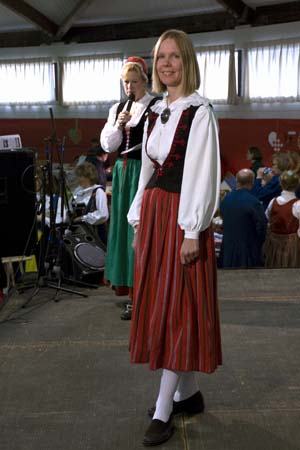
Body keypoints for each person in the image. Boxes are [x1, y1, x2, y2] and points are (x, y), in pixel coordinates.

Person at [127, 29, 222, 446]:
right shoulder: (155, 111)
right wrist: (136, 219)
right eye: (161, 57)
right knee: (167, 303)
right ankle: (189, 394)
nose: (166, 64)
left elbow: (203, 174)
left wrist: (190, 230)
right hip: (155, 216)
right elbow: (148, 171)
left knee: (176, 307)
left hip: (181, 219)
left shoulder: (199, 111)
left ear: (187, 61)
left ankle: (165, 408)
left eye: (174, 57)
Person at [100, 56, 160, 320]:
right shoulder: (118, 108)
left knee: (140, 230)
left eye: (134, 81)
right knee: (123, 232)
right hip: (123, 173)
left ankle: (145, 292)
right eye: (126, 82)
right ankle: (131, 288)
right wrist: (119, 124)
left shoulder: (155, 105)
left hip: (143, 171)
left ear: (144, 81)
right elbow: (108, 146)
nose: (129, 86)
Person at [219, 169, 267, 268]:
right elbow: (262, 226)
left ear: (236, 180)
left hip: (227, 249)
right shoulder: (254, 202)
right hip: (248, 251)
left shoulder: (225, 199)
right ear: (252, 182)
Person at [264, 170, 300, 268]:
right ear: (297, 185)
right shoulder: (298, 205)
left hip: (274, 243)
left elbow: (267, 218)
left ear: (280, 184)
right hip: (291, 245)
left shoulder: (273, 202)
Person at [71, 162, 109, 244]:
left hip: (95, 234)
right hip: (78, 233)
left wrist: (83, 218)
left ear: (89, 177)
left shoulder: (98, 192)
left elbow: (103, 214)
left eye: (81, 176)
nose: (78, 179)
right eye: (78, 176)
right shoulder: (78, 190)